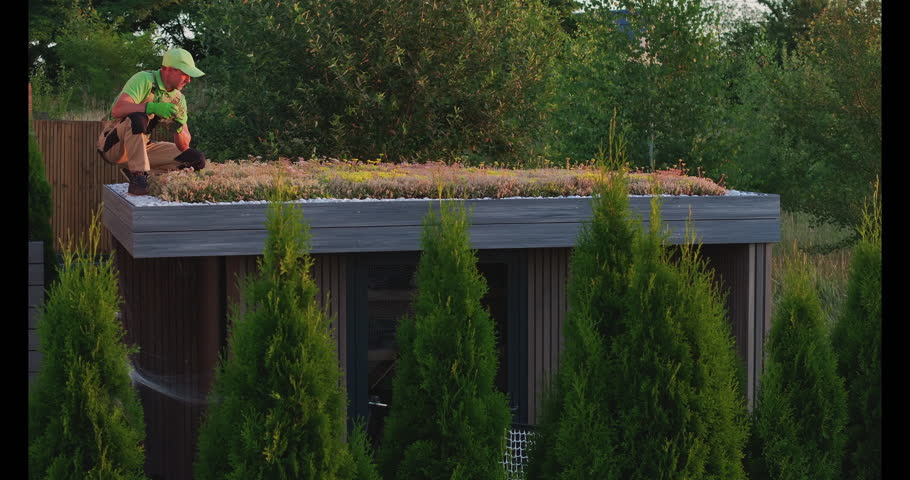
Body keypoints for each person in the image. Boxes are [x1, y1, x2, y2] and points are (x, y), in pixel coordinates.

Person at [96, 48, 207, 195]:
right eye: (184, 74)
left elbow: (183, 146)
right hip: (113, 146)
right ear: (167, 69)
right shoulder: (144, 79)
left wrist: (180, 124)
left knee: (195, 159)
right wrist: (151, 106)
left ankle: (147, 176)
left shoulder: (179, 99)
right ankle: (138, 178)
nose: (189, 80)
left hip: (141, 148)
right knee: (137, 117)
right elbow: (117, 109)